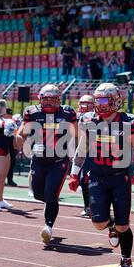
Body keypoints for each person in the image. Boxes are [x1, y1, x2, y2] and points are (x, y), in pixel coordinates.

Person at [68, 83, 134, 267]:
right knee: (98, 223)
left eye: (104, 100)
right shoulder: (89, 120)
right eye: (97, 100)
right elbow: (81, 151)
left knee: (124, 224)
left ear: (115, 101)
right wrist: (74, 173)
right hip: (96, 176)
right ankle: (110, 226)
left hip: (119, 177)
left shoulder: (128, 121)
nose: (100, 105)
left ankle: (126, 259)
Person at [18, 84, 77, 244]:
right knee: (38, 194)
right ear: (40, 99)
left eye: (52, 99)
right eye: (46, 99)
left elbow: (78, 133)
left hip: (58, 162)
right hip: (38, 161)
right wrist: (24, 141)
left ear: (59, 100)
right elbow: (21, 135)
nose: (49, 102)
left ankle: (48, 226)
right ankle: (50, 205)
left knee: (51, 195)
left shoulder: (68, 113)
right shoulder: (32, 112)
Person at [76, 95, 95, 217]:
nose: (83, 106)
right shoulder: (80, 118)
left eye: (87, 103)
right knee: (83, 180)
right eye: (81, 103)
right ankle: (87, 206)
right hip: (86, 152)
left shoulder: (97, 116)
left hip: (102, 152)